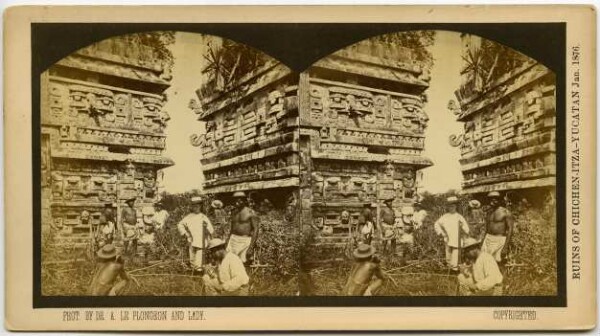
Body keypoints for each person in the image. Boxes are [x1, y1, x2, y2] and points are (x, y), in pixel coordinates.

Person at [177, 196, 215, 272]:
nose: (196, 207)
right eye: (194, 205)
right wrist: (185, 233)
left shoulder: (203, 217)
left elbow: (211, 230)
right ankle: (193, 272)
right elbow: (180, 224)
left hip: (201, 241)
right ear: (192, 206)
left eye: (198, 205)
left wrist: (210, 239)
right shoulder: (189, 217)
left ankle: (198, 273)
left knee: (199, 260)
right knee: (192, 259)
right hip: (191, 240)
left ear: (200, 206)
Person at [434, 196, 470, 272]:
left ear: (456, 206)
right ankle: (449, 268)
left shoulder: (459, 216)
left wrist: (464, 231)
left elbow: (466, 228)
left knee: (456, 255)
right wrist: (441, 233)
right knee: (448, 255)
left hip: (457, 239)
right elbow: (436, 224)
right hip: (447, 238)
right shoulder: (445, 216)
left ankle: (454, 270)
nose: (452, 207)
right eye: (450, 206)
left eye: (453, 206)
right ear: (448, 207)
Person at [227, 191, 259, 264]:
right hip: (233, 240)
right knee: (230, 262)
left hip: (245, 241)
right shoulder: (234, 212)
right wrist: (227, 241)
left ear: (244, 200)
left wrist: (251, 247)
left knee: (243, 264)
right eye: (235, 199)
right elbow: (232, 229)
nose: (237, 201)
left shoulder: (251, 213)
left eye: (240, 199)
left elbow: (256, 229)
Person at [482, 191, 514, 264]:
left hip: (500, 240)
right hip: (488, 239)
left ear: (500, 200)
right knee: (486, 262)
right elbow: (487, 229)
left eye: (496, 198)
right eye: (491, 199)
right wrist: (483, 241)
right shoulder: (489, 212)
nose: (493, 200)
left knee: (499, 263)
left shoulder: (506, 212)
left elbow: (510, 229)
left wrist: (505, 246)